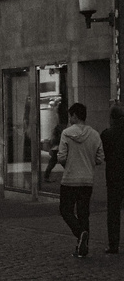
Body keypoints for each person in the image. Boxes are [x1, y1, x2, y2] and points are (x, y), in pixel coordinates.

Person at [57, 101, 104, 257]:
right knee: (84, 213)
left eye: (70, 116)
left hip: (69, 180)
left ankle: (80, 233)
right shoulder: (95, 134)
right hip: (87, 180)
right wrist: (89, 161)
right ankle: (83, 248)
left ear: (75, 116)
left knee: (65, 210)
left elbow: (61, 157)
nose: (69, 118)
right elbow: (100, 158)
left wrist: (68, 163)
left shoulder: (66, 133)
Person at [100, 102, 124, 254]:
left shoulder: (107, 134)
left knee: (113, 212)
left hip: (114, 177)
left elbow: (104, 156)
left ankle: (113, 244)